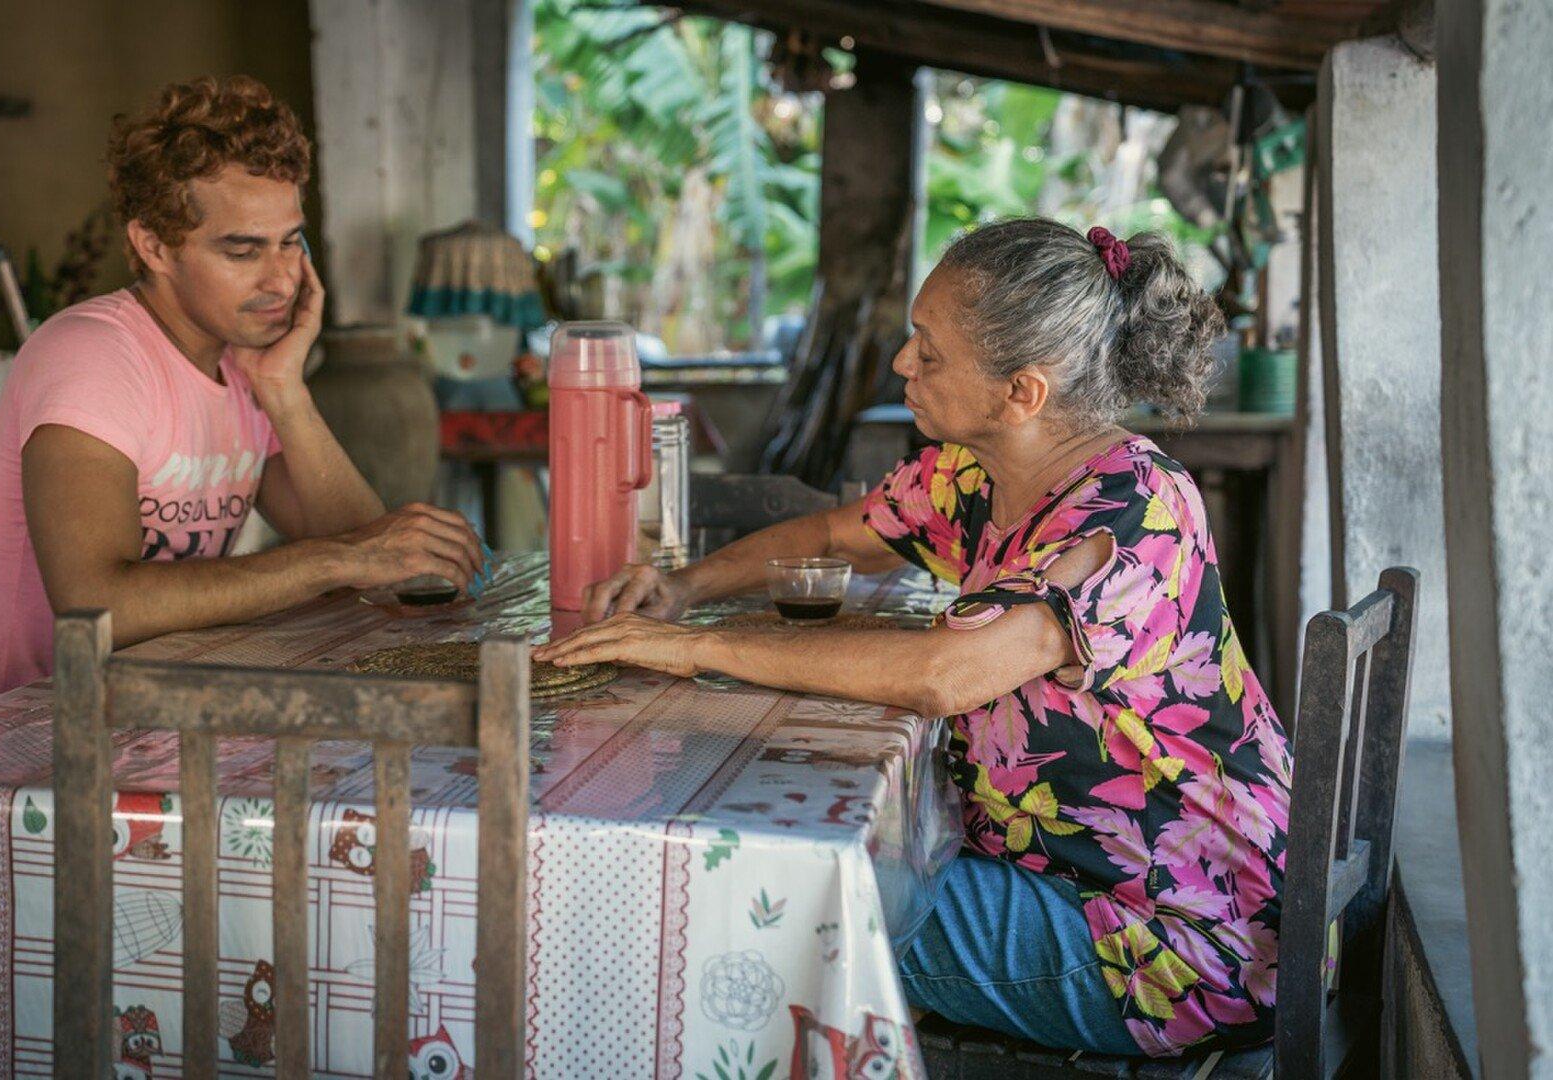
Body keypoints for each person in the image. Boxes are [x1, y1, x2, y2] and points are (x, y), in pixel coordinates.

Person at [538, 219, 1289, 1057]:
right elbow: (833, 534)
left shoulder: (1132, 511)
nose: (902, 365)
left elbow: (944, 675)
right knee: (782, 870)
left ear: (1022, 392)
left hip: (1179, 940)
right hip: (1078, 883)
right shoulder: (982, 472)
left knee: (782, 908)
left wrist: (687, 648)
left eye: (927, 353)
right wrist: (679, 589)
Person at [0, 76, 484, 710]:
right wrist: (336, 559)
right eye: (242, 249)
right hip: (25, 735)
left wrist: (284, 390)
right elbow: (97, 605)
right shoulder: (92, 356)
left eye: (291, 242)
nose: (282, 278)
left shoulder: (243, 363)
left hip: (158, 715)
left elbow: (372, 558)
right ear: (153, 245)